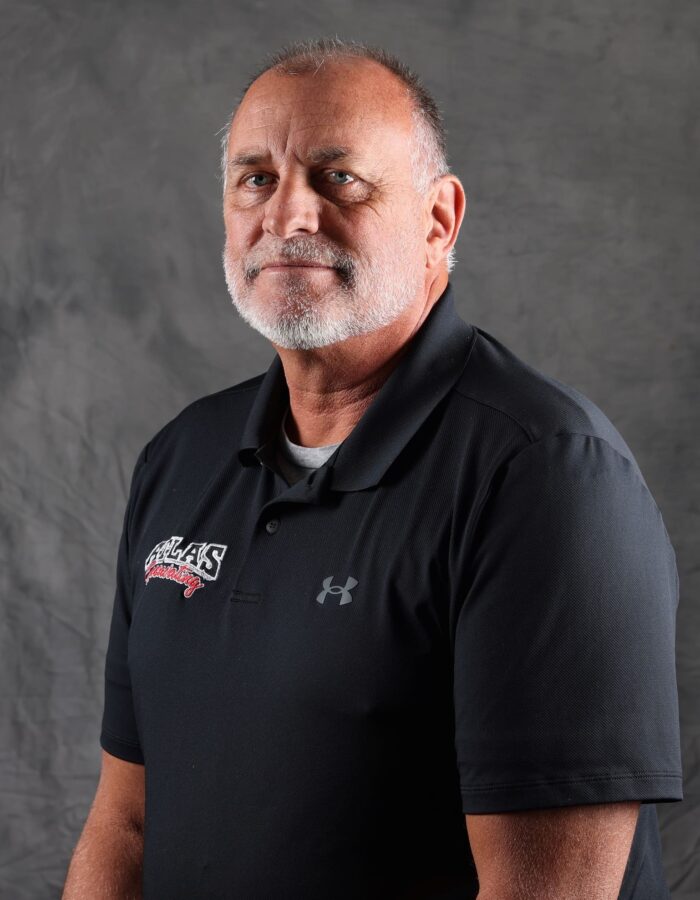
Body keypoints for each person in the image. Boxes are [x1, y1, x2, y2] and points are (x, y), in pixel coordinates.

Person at [63, 37, 683, 900]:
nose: (288, 216)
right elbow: (125, 821)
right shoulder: (181, 458)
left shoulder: (547, 477)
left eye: (338, 178)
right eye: (256, 179)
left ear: (439, 222)